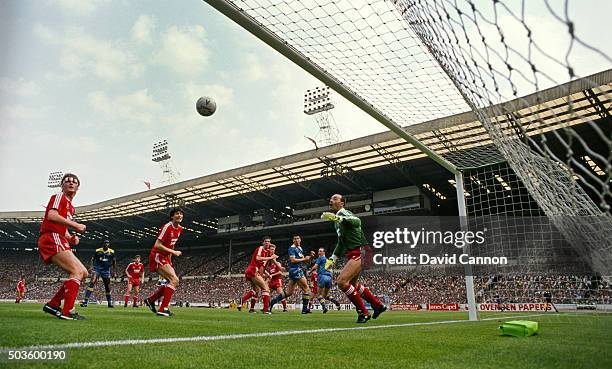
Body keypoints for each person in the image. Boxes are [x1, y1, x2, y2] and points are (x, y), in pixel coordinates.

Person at [321, 194, 386, 323]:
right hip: (354, 252)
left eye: (335, 198)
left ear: (342, 203)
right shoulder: (336, 223)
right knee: (354, 284)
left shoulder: (345, 213)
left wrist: (338, 217)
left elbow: (357, 221)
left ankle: (363, 312)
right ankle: (378, 305)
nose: (331, 200)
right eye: (331, 198)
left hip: (361, 251)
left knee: (341, 281)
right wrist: (332, 259)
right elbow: (341, 243)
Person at [38, 173, 88, 320]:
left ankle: (53, 304)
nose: (71, 183)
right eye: (67, 181)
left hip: (58, 237)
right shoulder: (59, 197)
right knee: (76, 271)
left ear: (78, 187)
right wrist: (76, 225)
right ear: (62, 185)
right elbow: (52, 216)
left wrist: (70, 238)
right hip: (51, 237)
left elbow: (62, 228)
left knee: (83, 272)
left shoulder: (71, 208)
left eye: (74, 182)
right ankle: (68, 311)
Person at [144, 208, 184, 317]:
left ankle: (151, 300)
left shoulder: (179, 229)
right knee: (174, 280)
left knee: (173, 282)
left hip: (165, 257)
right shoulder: (167, 227)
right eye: (177, 214)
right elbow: (157, 245)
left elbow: (172, 244)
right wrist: (173, 252)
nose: (179, 215)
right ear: (172, 216)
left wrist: (170, 259)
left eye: (181, 214)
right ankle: (163, 309)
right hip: (157, 255)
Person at [269, 235, 314, 314]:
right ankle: (304, 310)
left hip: (295, 270)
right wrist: (304, 259)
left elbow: (302, 259)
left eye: (298, 238)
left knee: (289, 292)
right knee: (306, 289)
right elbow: (293, 260)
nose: (297, 240)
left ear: (300, 240)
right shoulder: (291, 248)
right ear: (293, 241)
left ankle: (272, 302)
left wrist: (309, 257)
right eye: (295, 239)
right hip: (295, 270)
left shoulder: (300, 249)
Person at [239, 236, 277, 314]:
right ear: (263, 242)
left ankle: (247, 305)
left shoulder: (266, 254)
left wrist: (267, 274)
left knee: (256, 290)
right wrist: (270, 258)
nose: (267, 243)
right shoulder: (260, 248)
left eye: (269, 241)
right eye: (266, 241)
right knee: (266, 288)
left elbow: (261, 267)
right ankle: (266, 310)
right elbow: (258, 258)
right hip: (253, 270)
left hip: (252, 271)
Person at [81, 240, 116, 308]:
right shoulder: (97, 250)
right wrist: (91, 266)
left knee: (107, 287)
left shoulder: (112, 252)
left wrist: (114, 272)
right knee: (92, 282)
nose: (106, 244)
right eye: (105, 243)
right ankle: (85, 302)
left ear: (109, 245)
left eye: (108, 243)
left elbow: (114, 261)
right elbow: (92, 259)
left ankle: (109, 303)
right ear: (103, 244)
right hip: (97, 269)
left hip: (106, 270)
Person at [310, 248, 341, 313]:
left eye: (320, 251)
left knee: (319, 295)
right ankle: (336, 302)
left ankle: (324, 308)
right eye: (318, 251)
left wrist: (310, 271)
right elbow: (331, 269)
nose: (319, 252)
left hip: (322, 276)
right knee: (325, 295)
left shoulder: (320, 258)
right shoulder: (328, 260)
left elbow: (315, 267)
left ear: (324, 253)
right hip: (329, 278)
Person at [265, 244, 287, 312]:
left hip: (277, 280)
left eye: (273, 250)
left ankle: (285, 308)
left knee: (281, 294)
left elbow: (280, 272)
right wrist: (268, 278)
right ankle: (268, 306)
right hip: (272, 281)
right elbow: (270, 274)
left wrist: (272, 275)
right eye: (271, 249)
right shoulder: (270, 265)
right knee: (267, 293)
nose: (272, 250)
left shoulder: (278, 263)